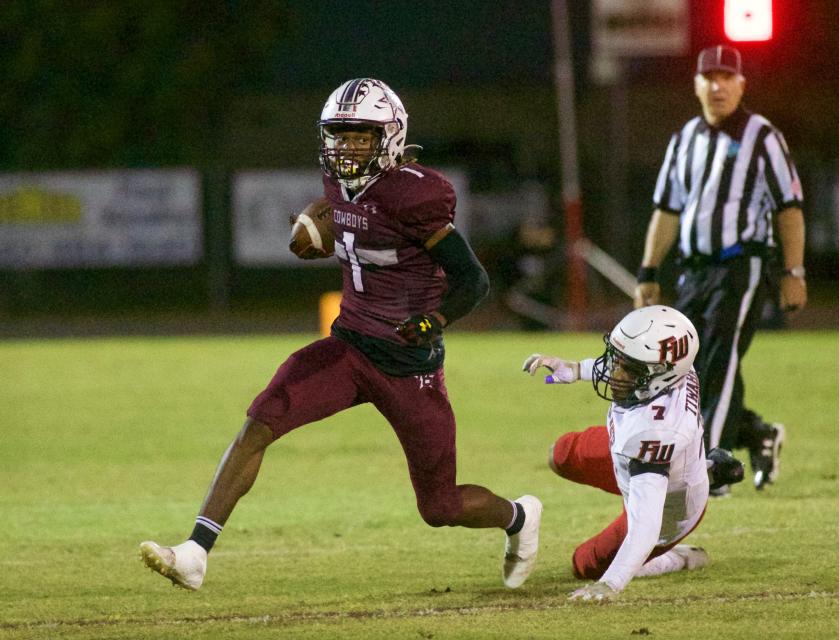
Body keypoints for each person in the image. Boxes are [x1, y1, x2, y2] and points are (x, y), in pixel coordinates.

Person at [139, 78, 542, 591]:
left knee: (439, 507)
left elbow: (473, 279)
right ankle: (195, 552)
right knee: (259, 422)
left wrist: (432, 321)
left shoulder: (416, 193)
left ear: (390, 137)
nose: (346, 147)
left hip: (407, 366)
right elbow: (347, 214)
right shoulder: (339, 183)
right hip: (348, 348)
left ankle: (519, 518)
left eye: (359, 136)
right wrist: (313, 226)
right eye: (339, 135)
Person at [633, 44, 807, 495]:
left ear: (741, 84)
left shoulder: (762, 136)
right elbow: (667, 210)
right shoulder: (684, 138)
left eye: (727, 77)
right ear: (696, 85)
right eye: (709, 78)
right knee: (686, 367)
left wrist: (793, 272)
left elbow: (789, 208)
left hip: (743, 264)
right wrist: (648, 272)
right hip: (694, 270)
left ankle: (714, 467)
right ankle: (756, 433)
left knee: (721, 357)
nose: (718, 86)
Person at [522, 305, 744, 601]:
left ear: (661, 375)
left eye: (630, 369)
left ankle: (678, 557)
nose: (615, 373)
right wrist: (576, 369)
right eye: (618, 360)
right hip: (642, 459)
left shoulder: (653, 433)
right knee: (560, 454)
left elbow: (646, 526)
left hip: (666, 505)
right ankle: (707, 468)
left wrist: (609, 584)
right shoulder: (676, 368)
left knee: (585, 564)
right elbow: (628, 364)